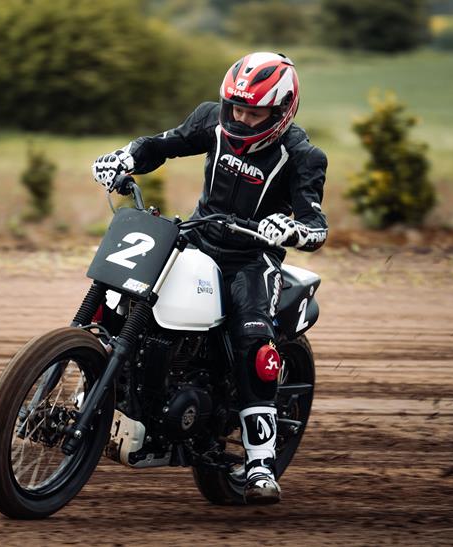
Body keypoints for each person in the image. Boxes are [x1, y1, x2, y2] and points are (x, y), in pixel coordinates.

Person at [92, 52, 328, 504]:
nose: (241, 118)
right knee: (125, 297)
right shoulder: (211, 120)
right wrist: (124, 158)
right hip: (196, 238)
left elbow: (316, 224)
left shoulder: (302, 155)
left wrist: (292, 229)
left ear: (281, 111)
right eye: (236, 107)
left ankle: (260, 463)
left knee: (254, 343)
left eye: (254, 111)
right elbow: (162, 144)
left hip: (251, 259)